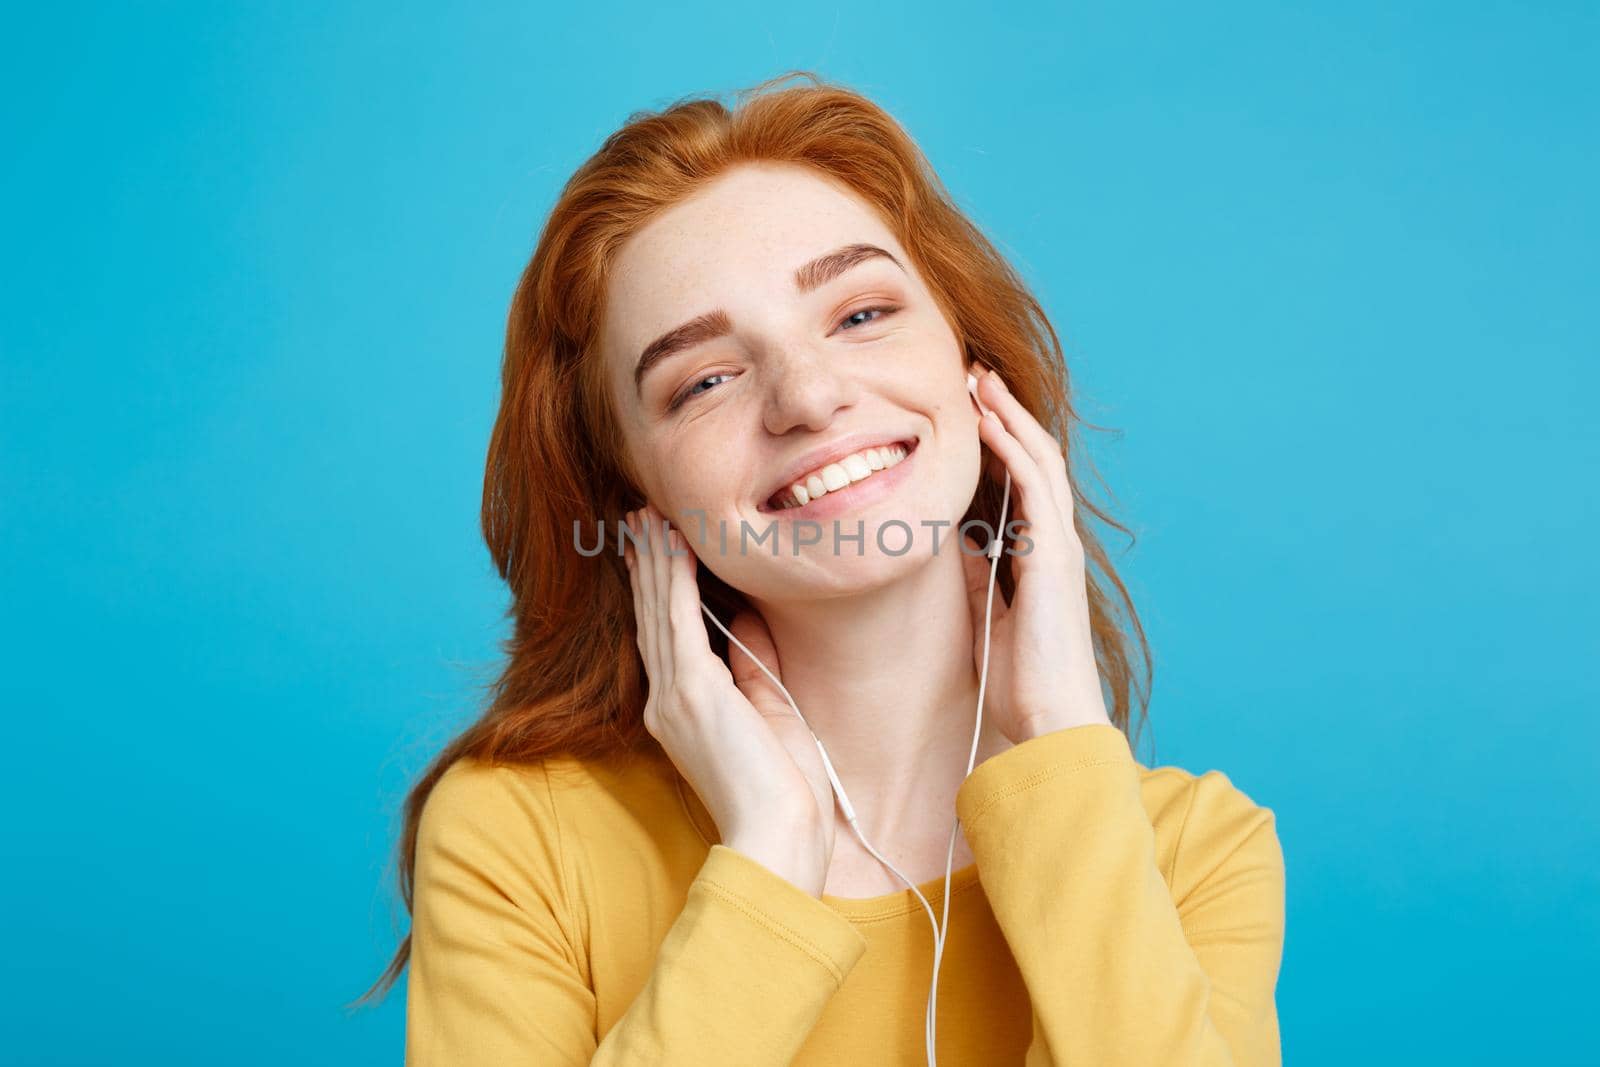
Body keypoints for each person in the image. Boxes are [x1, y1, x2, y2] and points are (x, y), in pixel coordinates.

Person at [353, 71, 1286, 1065]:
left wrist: (1062, 744)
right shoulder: (521, 840)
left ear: (975, 364)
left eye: (860, 314)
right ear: (636, 498)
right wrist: (765, 864)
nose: (806, 394)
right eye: (703, 379)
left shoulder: (1193, 853)